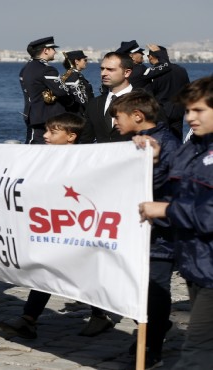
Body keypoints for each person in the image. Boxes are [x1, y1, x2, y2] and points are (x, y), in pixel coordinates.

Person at [0, 112, 116, 339]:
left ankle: (112, 317)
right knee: (46, 269)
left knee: (86, 273)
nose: (46, 135)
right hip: (50, 225)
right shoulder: (45, 158)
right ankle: (28, 319)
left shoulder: (85, 159)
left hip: (77, 227)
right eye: (47, 130)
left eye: (53, 131)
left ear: (71, 136)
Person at [138, 76, 213, 369]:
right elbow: (168, 187)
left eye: (198, 111)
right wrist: (154, 160)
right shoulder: (192, 148)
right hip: (197, 265)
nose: (190, 117)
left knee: (196, 350)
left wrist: (167, 212)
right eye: (187, 111)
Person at [110, 91, 181, 368]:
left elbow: (163, 185)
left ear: (137, 116)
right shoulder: (133, 143)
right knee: (131, 288)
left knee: (155, 291)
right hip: (137, 232)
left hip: (161, 235)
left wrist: (147, 162)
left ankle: (152, 346)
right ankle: (154, 329)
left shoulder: (166, 144)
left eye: (118, 116)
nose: (114, 122)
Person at [19, 36, 74, 144]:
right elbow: (62, 92)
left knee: (32, 143)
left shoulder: (25, 68)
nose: (55, 52)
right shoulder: (47, 69)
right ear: (45, 50)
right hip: (46, 117)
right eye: (53, 49)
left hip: (32, 115)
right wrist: (72, 102)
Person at [80, 52, 135, 143]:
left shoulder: (144, 102)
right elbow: (86, 139)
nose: (103, 73)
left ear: (127, 72)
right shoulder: (94, 104)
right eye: (102, 69)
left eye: (110, 69)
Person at [145, 44, 191, 139]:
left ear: (151, 57)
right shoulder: (181, 70)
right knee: (177, 140)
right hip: (178, 111)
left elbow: (148, 93)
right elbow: (187, 90)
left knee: (159, 140)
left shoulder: (153, 72)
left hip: (160, 112)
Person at [61, 50, 94, 116]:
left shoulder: (76, 75)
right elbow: (79, 99)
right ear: (76, 61)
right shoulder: (72, 76)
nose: (86, 62)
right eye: (85, 60)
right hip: (79, 116)